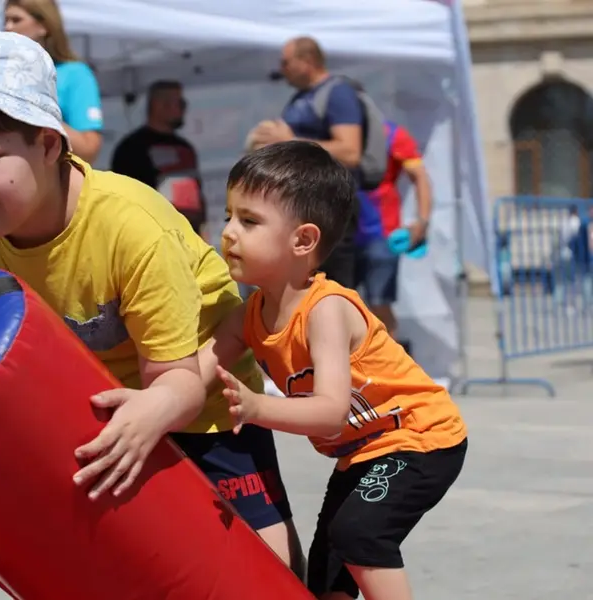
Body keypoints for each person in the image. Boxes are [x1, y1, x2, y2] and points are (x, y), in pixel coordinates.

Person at [0, 31, 302, 575]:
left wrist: (148, 419)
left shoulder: (130, 225)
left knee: (265, 572)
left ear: (48, 144)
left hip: (203, 400)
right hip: (92, 407)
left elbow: (176, 382)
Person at [199, 140, 468, 600]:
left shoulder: (327, 309)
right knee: (326, 578)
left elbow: (328, 412)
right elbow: (196, 369)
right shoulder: (248, 315)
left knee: (360, 536)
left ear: (303, 240)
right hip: (362, 453)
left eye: (249, 221)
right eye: (228, 216)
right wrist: (143, 402)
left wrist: (256, 405)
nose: (229, 232)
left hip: (422, 439)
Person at [245, 36, 364, 288]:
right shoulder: (301, 98)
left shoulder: (338, 92)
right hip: (300, 205)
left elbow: (350, 151)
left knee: (332, 289)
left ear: (307, 61)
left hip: (330, 206)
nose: (281, 69)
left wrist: (292, 140)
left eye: (286, 62)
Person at [354, 120, 433, 341]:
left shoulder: (390, 133)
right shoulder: (326, 132)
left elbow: (420, 176)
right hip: (337, 236)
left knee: (380, 304)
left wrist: (422, 222)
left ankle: (389, 369)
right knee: (330, 305)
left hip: (381, 235)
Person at [4, 0, 103, 163]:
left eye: (16, 20)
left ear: (44, 26)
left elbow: (89, 150)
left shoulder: (75, 74)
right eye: (5, 21)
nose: (8, 28)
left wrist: (37, 109)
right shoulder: (0, 73)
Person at [111, 80, 207, 237]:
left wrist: (203, 228)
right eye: (180, 103)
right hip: (155, 237)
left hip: (190, 236)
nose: (183, 110)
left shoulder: (186, 147)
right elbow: (125, 198)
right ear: (160, 105)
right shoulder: (131, 148)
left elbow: (198, 194)